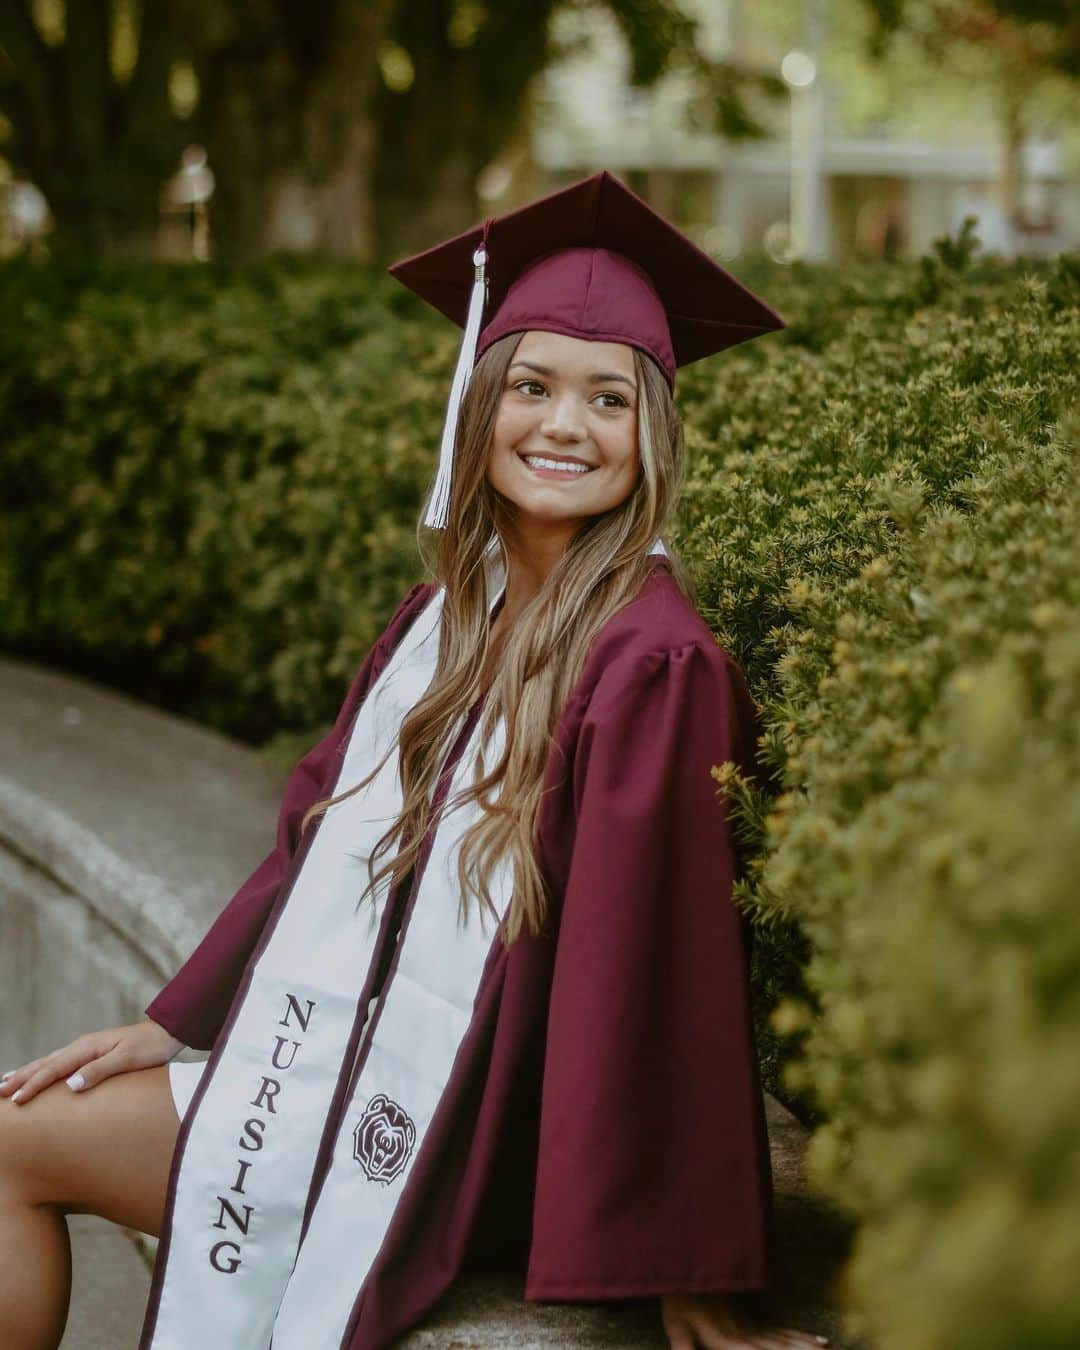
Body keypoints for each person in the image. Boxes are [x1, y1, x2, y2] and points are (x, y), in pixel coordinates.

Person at [0, 171, 829, 1350]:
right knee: (13, 1130)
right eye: (532, 386)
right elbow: (322, 836)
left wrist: (686, 1269)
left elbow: (656, 970)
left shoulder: (655, 664)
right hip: (347, 1061)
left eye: (608, 399)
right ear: (478, 402)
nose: (562, 427)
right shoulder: (443, 620)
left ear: (653, 435)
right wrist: (178, 1020)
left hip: (471, 1131)